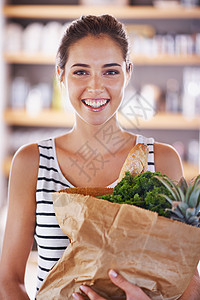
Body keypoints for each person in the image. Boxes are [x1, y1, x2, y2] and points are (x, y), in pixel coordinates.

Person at [0, 14, 199, 300]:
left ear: (128, 73)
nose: (95, 87)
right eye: (81, 71)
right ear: (60, 74)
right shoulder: (31, 162)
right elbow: (8, 281)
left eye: (110, 71)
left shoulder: (163, 160)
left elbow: (189, 280)